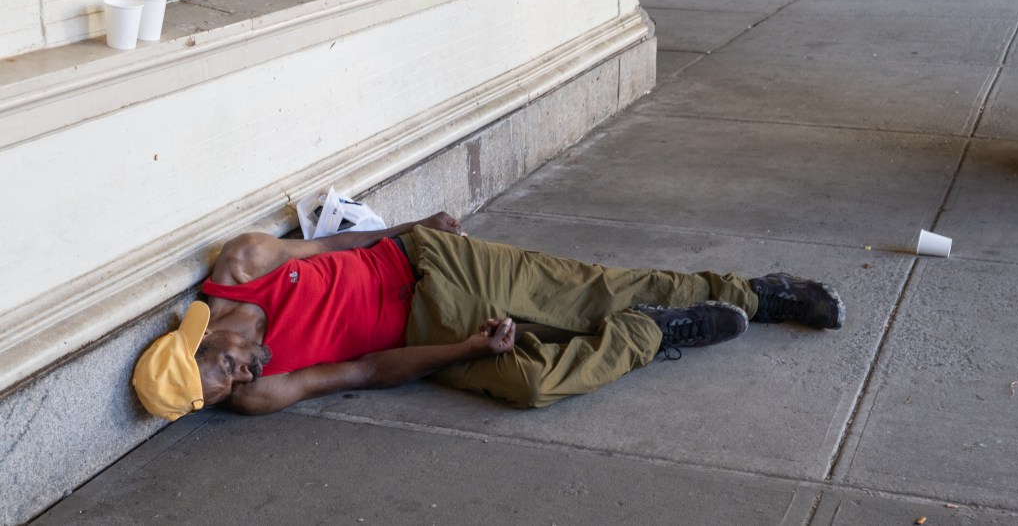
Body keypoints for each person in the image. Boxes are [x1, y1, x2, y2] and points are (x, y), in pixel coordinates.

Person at [132, 212, 844, 420]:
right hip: (422, 338)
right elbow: (367, 368)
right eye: (227, 387)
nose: (245, 373)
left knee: (597, 292)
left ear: (194, 337)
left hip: (436, 266)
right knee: (532, 387)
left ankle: (760, 293)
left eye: (225, 366)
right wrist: (465, 348)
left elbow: (331, 242)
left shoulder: (245, 265)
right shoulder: (259, 394)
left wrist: (421, 225)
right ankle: (654, 332)